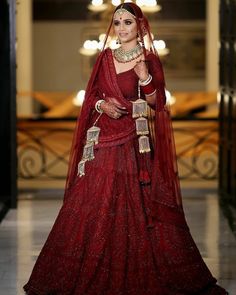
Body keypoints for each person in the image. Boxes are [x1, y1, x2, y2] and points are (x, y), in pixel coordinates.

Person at [23, 3, 228, 295]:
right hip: (103, 140)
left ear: (140, 27)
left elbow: (158, 104)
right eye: (117, 22)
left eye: (127, 23)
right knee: (93, 201)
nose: (121, 28)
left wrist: (144, 76)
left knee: (137, 205)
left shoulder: (149, 60)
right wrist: (102, 104)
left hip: (134, 143)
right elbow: (91, 95)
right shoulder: (105, 57)